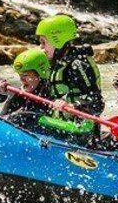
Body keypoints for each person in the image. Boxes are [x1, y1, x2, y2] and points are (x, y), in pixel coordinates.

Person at [35, 14, 104, 145]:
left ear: (57, 40)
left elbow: (98, 104)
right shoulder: (57, 64)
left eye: (43, 42)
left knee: (24, 118)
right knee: (27, 114)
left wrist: (71, 106)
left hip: (82, 131)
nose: (41, 48)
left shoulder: (78, 65)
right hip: (63, 124)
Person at [0, 48, 54, 132]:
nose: (22, 80)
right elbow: (2, 119)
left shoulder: (50, 92)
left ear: (40, 74)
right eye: (20, 75)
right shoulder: (22, 91)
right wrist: (10, 96)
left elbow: (23, 116)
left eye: (25, 75)